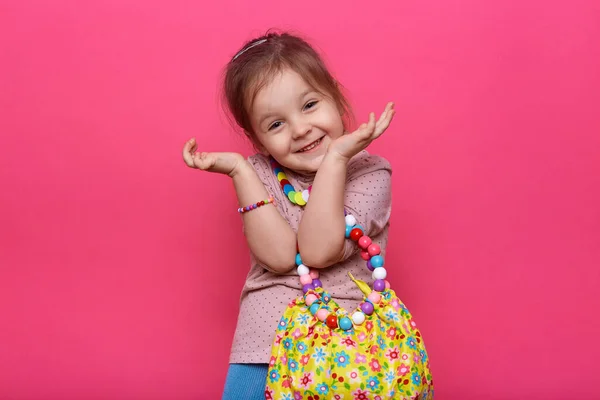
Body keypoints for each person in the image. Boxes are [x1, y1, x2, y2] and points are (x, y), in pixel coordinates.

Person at [182, 31, 395, 400]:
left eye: (310, 105)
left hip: (348, 351)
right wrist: (239, 171)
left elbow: (317, 250)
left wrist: (336, 160)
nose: (300, 130)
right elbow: (281, 257)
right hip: (265, 345)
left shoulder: (371, 173)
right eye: (275, 124)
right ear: (258, 139)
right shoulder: (261, 174)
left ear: (335, 95)